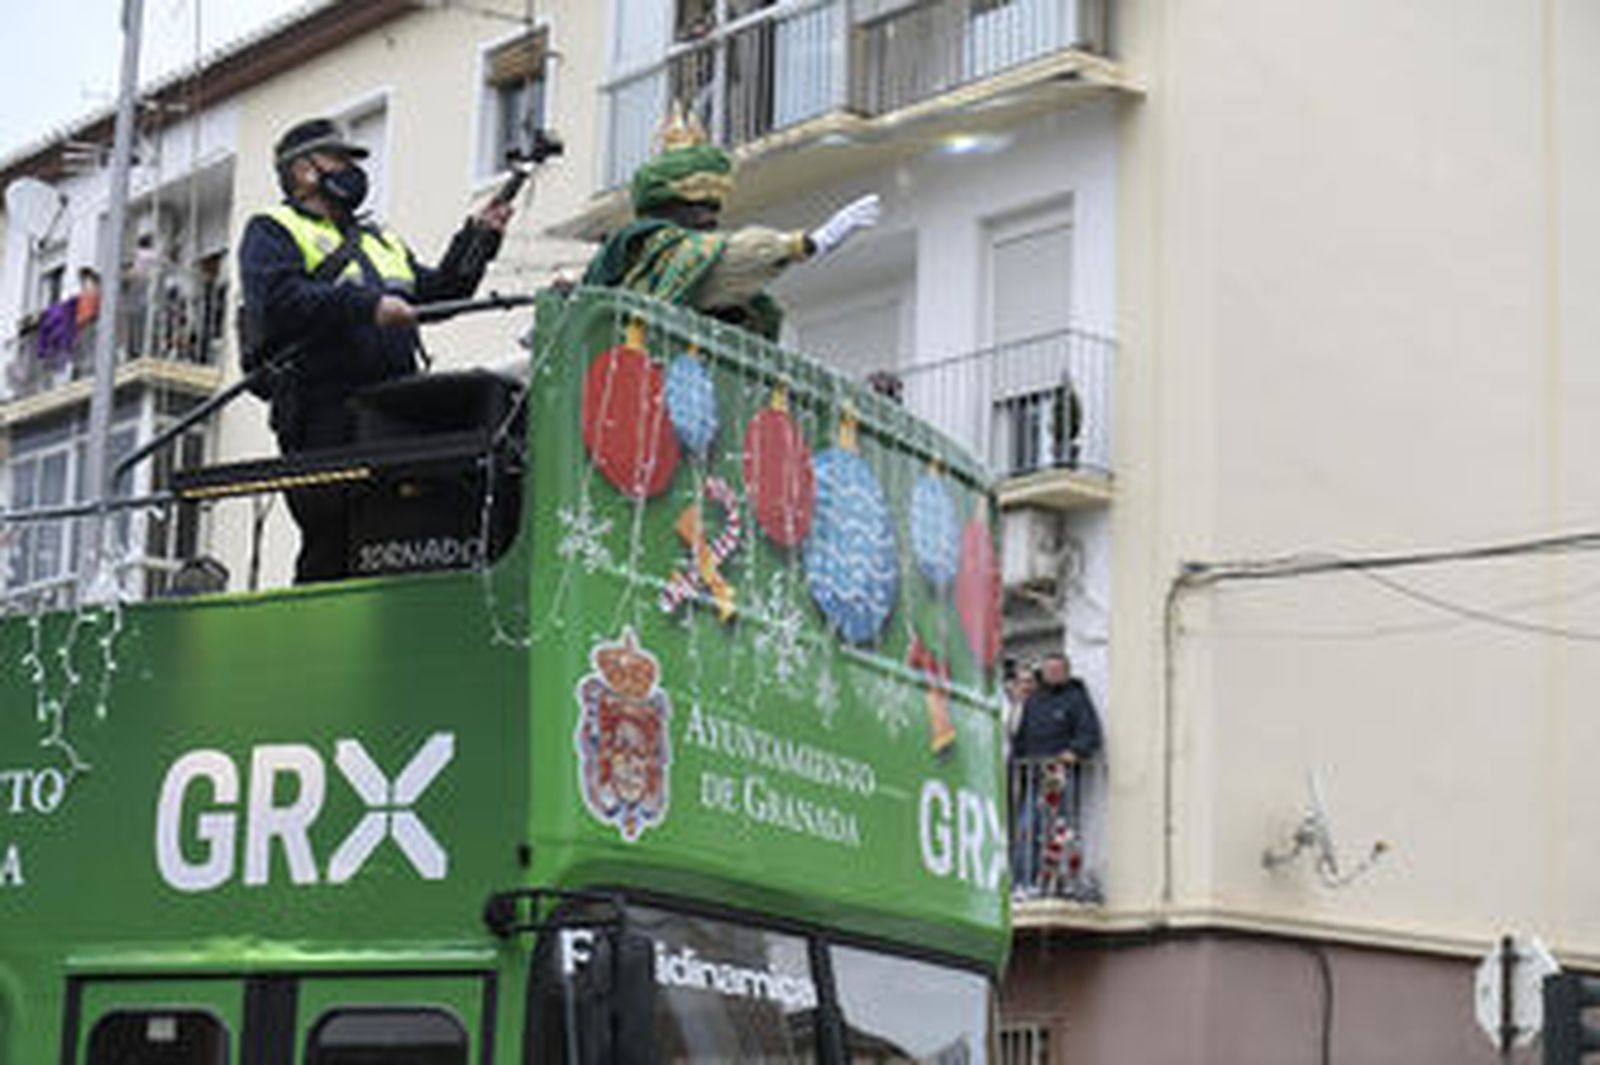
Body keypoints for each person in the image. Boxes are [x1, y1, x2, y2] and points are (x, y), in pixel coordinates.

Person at [238, 117, 514, 584]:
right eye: (339, 159)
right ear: (303, 170)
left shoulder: (379, 239)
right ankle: (317, 622)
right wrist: (368, 305)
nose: (351, 170)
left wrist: (479, 237)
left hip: (394, 409)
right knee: (333, 539)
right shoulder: (273, 229)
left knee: (393, 532)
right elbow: (280, 300)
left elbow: (440, 294)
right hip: (323, 412)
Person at [582, 104, 880, 340]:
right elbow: (727, 259)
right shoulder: (654, 244)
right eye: (697, 207)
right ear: (667, 208)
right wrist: (809, 243)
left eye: (713, 208)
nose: (708, 218)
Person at [1011, 653, 1102, 895]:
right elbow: (1020, 738)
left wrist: (1074, 752)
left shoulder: (1076, 699)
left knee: (1061, 832)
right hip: (1035, 777)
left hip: (1062, 777)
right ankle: (1024, 882)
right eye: (1048, 670)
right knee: (1028, 830)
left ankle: (1062, 883)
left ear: (1066, 672)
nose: (1052, 674)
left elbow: (1090, 734)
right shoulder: (1034, 701)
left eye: (1057, 670)